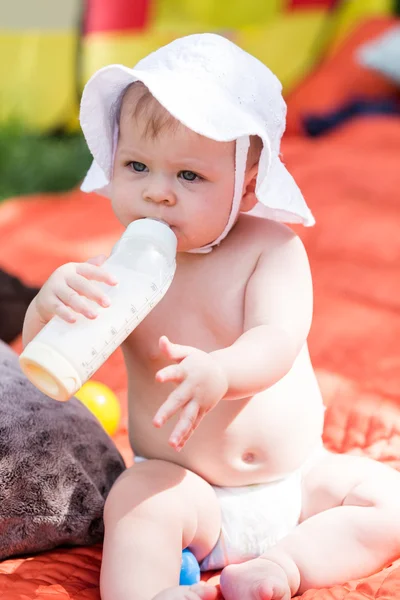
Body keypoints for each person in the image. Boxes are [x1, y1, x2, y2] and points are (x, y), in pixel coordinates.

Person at [22, 34, 400, 600]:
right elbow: (52, 367)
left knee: (386, 501)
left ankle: (283, 567)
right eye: (137, 166)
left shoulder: (271, 250)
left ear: (246, 189)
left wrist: (220, 372)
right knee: (135, 501)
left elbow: (277, 338)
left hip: (296, 482)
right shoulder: (117, 271)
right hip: (187, 490)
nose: (158, 193)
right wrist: (45, 310)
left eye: (189, 176)